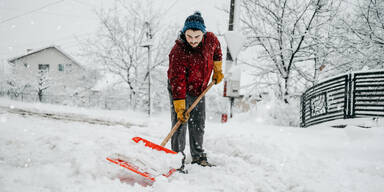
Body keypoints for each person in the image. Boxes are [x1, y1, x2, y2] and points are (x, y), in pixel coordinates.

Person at [167, 11, 224, 168]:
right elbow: (177, 80)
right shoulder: (178, 51)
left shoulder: (211, 40)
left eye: (197, 37)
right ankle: (176, 158)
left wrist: (217, 70)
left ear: (203, 34)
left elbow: (217, 52)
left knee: (198, 122)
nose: (193, 40)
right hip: (180, 89)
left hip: (199, 88)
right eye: (189, 36)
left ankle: (198, 156)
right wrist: (180, 106)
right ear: (184, 33)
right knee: (181, 122)